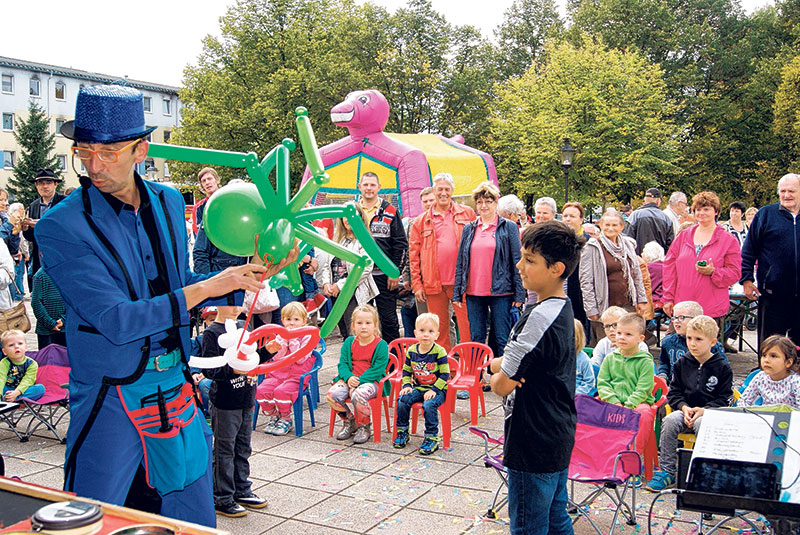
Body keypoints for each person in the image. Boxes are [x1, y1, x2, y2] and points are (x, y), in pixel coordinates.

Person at [35, 85, 294, 526]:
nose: (94, 165)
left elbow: (180, 285)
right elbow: (116, 319)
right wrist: (209, 286)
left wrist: (248, 276)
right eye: (84, 151)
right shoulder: (60, 225)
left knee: (192, 513)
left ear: (141, 149)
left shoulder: (170, 202)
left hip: (174, 384)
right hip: (109, 391)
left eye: (109, 151)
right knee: (91, 518)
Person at [487, 220, 585, 535]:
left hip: (532, 440)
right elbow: (527, 362)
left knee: (528, 526)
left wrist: (496, 373)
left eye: (530, 260)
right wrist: (505, 366)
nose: (519, 266)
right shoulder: (561, 308)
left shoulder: (535, 319)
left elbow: (501, 386)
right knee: (557, 518)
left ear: (556, 269)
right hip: (557, 432)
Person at [645, 315, 733, 492]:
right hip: (685, 410)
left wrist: (705, 410)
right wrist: (683, 407)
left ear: (713, 342)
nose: (693, 343)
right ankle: (667, 470)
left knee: (702, 424)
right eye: (690, 338)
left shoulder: (722, 367)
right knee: (670, 421)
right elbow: (675, 392)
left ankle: (701, 472)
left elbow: (725, 398)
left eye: (699, 339)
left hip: (708, 414)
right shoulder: (681, 363)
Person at [201, 305, 268, 517]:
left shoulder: (243, 326)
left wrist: (267, 352)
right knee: (224, 449)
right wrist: (232, 369)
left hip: (246, 397)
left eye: (238, 303)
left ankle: (241, 488)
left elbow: (252, 360)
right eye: (229, 303)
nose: (235, 308)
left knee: (243, 446)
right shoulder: (212, 333)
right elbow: (208, 368)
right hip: (225, 401)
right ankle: (221, 496)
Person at [453, 181, 524, 358]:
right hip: (474, 292)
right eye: (480, 202)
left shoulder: (508, 227)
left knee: (501, 336)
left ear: (495, 203)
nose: (484, 206)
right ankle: (477, 377)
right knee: (476, 336)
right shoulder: (469, 228)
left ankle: (500, 378)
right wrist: (457, 293)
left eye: (488, 201)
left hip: (501, 291)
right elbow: (461, 262)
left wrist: (519, 293)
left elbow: (517, 260)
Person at [409, 172, 476, 351]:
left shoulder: (467, 214)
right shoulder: (421, 221)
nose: (443, 193)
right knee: (438, 330)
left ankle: (468, 367)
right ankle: (445, 369)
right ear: (434, 190)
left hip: (461, 283)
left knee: (466, 327)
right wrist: (417, 285)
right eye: (440, 189)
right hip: (433, 283)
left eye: (447, 189)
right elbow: (413, 256)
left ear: (452, 191)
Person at [662, 191, 742, 340]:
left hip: (710, 307)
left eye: (706, 209)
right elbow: (669, 268)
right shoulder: (683, 236)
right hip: (683, 306)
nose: (701, 213)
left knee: (704, 352)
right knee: (673, 347)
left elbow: (735, 273)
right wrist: (668, 298)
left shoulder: (728, 240)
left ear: (716, 212)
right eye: (698, 209)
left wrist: (714, 272)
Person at [741, 174, 800, 347]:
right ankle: (767, 374)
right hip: (773, 294)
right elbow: (749, 250)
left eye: (792, 191)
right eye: (783, 191)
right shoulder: (766, 215)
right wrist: (747, 279)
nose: (787, 195)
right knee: (770, 346)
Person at [579, 209, 648, 343]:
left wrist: (641, 299)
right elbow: (586, 281)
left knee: (627, 342)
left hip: (627, 304)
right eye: (607, 225)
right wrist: (591, 308)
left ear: (621, 227)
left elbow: (636, 274)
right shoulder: (593, 247)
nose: (610, 228)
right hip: (605, 305)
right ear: (601, 226)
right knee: (607, 344)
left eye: (615, 225)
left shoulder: (627, 245)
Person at [326, 304, 389, 444]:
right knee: (332, 395)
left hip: (372, 381)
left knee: (358, 394)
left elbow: (378, 370)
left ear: (375, 325)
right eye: (359, 323)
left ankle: (364, 426)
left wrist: (359, 382)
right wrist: (349, 378)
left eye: (368, 323)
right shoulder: (349, 342)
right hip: (350, 379)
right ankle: (349, 421)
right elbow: (342, 364)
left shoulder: (381, 345)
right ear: (353, 325)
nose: (364, 327)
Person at [315, 202, 378, 339]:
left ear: (361, 218)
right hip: (335, 293)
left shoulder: (365, 240)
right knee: (343, 330)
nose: (348, 219)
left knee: (355, 331)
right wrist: (326, 284)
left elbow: (365, 268)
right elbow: (327, 264)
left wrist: (340, 285)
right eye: (345, 216)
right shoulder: (338, 239)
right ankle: (347, 359)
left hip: (354, 292)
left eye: (353, 215)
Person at [357, 172, 406, 343]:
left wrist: (395, 272)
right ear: (359, 187)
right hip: (359, 276)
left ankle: (394, 361)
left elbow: (400, 244)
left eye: (372, 185)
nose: (369, 188)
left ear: (379, 187)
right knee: (362, 321)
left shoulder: (391, 211)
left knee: (389, 320)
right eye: (366, 185)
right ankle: (365, 358)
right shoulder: (352, 211)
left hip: (384, 276)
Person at [596, 313, 655, 455]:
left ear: (640, 339)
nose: (621, 337)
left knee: (645, 413)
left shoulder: (645, 360)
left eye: (628, 334)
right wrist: (614, 402)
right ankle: (598, 453)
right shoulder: (610, 358)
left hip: (636, 403)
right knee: (592, 408)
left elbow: (644, 388)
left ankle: (633, 454)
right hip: (613, 402)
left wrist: (628, 406)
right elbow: (602, 383)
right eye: (619, 333)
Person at [392, 312, 449, 455]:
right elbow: (406, 371)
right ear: (415, 333)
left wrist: (434, 390)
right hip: (418, 387)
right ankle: (402, 431)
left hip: (438, 390)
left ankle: (432, 437)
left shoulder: (439, 351)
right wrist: (406, 386)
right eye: (422, 331)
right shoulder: (411, 351)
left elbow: (445, 374)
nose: (426, 335)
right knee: (402, 400)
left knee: (429, 405)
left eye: (430, 331)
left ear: (436, 334)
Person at [256, 302, 315, 436]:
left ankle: (286, 418)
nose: (292, 323)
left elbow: (300, 359)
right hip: (278, 374)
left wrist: (292, 340)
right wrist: (283, 341)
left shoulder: (308, 337)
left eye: (296, 320)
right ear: (282, 321)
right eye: (288, 319)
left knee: (281, 392)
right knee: (261, 390)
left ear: (304, 321)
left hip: (296, 376)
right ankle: (275, 415)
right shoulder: (280, 336)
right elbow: (277, 358)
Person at [655, 301, 727, 384]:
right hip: (674, 387)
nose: (676, 321)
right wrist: (662, 376)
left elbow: (723, 367)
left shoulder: (710, 345)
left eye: (681, 317)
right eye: (674, 317)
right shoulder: (668, 342)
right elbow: (664, 363)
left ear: (696, 320)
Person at [22, 169, 67, 292]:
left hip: (62, 256)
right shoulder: (34, 205)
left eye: (48, 182)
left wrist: (42, 224)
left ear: (55, 184)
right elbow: (31, 237)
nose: (45, 186)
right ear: (36, 186)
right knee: (44, 293)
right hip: (41, 257)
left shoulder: (65, 202)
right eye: (41, 183)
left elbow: (69, 228)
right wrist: (26, 229)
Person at [739, 335, 800, 408]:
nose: (766, 360)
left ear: (788, 362)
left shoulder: (795, 382)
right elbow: (744, 400)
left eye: (773, 356)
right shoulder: (761, 377)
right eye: (764, 355)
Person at [561, 202, 590, 339]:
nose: (567, 219)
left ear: (581, 219)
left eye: (572, 216)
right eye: (565, 215)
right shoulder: (556, 240)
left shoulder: (589, 242)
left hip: (580, 295)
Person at [624, 188, 674, 254]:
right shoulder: (666, 219)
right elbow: (670, 245)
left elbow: (627, 239)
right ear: (658, 200)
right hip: (658, 260)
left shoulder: (635, 215)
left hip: (638, 260)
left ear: (645, 200)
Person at [1, 329, 45, 402]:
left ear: (26, 347)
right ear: (4, 351)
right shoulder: (4, 362)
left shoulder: (32, 364)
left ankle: (13, 399)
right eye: (11, 345)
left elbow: (28, 380)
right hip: (7, 389)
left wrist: (17, 393)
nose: (16, 347)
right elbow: (1, 379)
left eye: (20, 343)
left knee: (40, 389)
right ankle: (5, 398)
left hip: (23, 390)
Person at [31, 268, 67, 348]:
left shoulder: (67, 274)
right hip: (45, 330)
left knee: (64, 358)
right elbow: (36, 303)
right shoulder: (40, 275)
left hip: (65, 328)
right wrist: (50, 323)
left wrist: (64, 319)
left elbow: (73, 301)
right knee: (46, 358)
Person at [192, 167, 220, 234]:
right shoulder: (198, 208)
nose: (207, 182)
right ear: (202, 185)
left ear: (217, 180)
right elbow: (197, 233)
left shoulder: (228, 200)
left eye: (209, 179)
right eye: (203, 181)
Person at [574, 318, 595, 396]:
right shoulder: (557, 357)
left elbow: (590, 383)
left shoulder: (583, 359)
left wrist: (576, 393)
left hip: (577, 396)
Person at [641, 242, 665, 308]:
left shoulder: (650, 268)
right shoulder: (664, 266)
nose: (641, 255)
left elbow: (647, 287)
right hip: (663, 299)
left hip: (654, 300)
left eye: (643, 252)